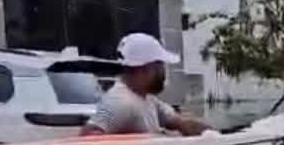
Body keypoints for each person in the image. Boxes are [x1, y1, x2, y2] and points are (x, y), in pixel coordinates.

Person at [82, 33, 211, 136]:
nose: (163, 71)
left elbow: (179, 122)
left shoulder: (146, 98)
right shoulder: (120, 102)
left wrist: (212, 134)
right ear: (144, 69)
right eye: (160, 65)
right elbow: (89, 136)